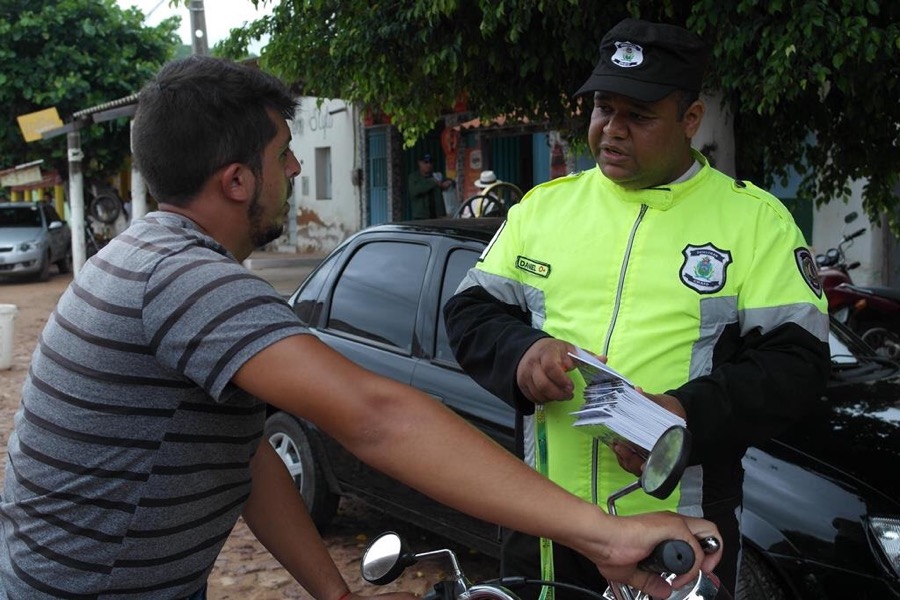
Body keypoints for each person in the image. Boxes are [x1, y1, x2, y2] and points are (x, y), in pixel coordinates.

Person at [0, 55, 721, 600]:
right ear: (237, 180)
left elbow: (245, 457)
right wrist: (607, 532)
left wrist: (334, 594)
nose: (292, 168)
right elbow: (377, 419)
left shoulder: (151, 257)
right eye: (283, 152)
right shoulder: (184, 279)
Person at [444, 17, 830, 600]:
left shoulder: (756, 223)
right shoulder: (542, 210)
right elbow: (470, 311)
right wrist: (522, 355)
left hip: (679, 535)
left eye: (639, 116)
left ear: (690, 120)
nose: (611, 131)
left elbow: (795, 367)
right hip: (546, 527)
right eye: (603, 108)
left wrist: (681, 416)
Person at [408, 153, 452, 219]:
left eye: (430, 162)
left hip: (438, 215)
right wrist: (433, 182)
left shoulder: (437, 176)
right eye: (426, 162)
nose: (428, 165)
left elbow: (449, 182)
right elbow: (415, 191)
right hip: (421, 216)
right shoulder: (414, 177)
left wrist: (448, 183)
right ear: (419, 163)